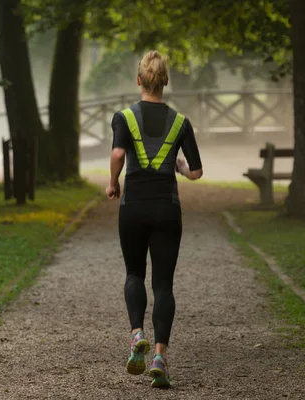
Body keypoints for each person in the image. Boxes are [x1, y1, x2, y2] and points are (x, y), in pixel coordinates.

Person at [105, 50, 203, 389]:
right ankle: (159, 357)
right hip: (166, 208)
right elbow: (197, 172)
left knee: (134, 273)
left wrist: (113, 182)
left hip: (133, 206)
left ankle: (136, 336)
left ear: (139, 80)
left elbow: (118, 153)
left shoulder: (124, 118)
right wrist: (179, 168)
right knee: (164, 284)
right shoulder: (180, 122)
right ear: (165, 81)